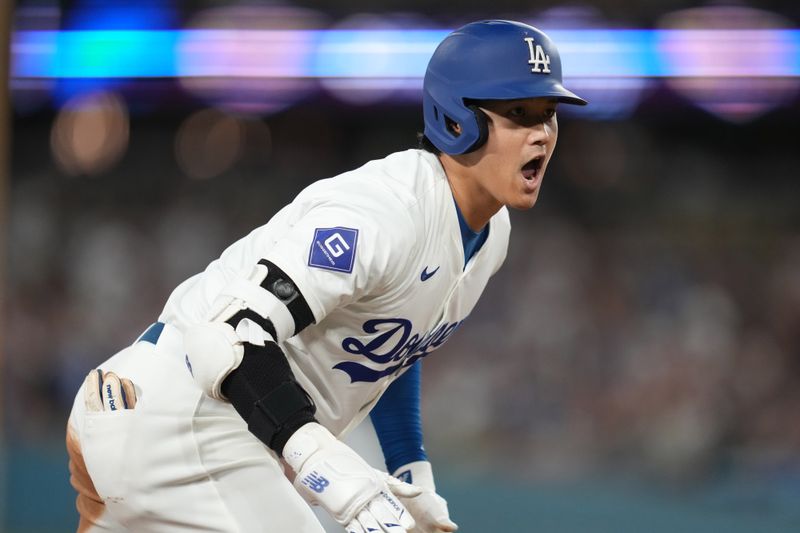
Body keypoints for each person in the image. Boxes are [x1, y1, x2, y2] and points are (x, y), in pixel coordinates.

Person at [66, 19, 587, 533]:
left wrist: (413, 476)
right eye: (519, 113)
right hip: (180, 414)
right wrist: (324, 466)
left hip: (187, 428)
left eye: (549, 113)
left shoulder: (491, 233)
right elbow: (226, 338)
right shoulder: (385, 211)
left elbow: (396, 347)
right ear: (457, 121)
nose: (542, 133)